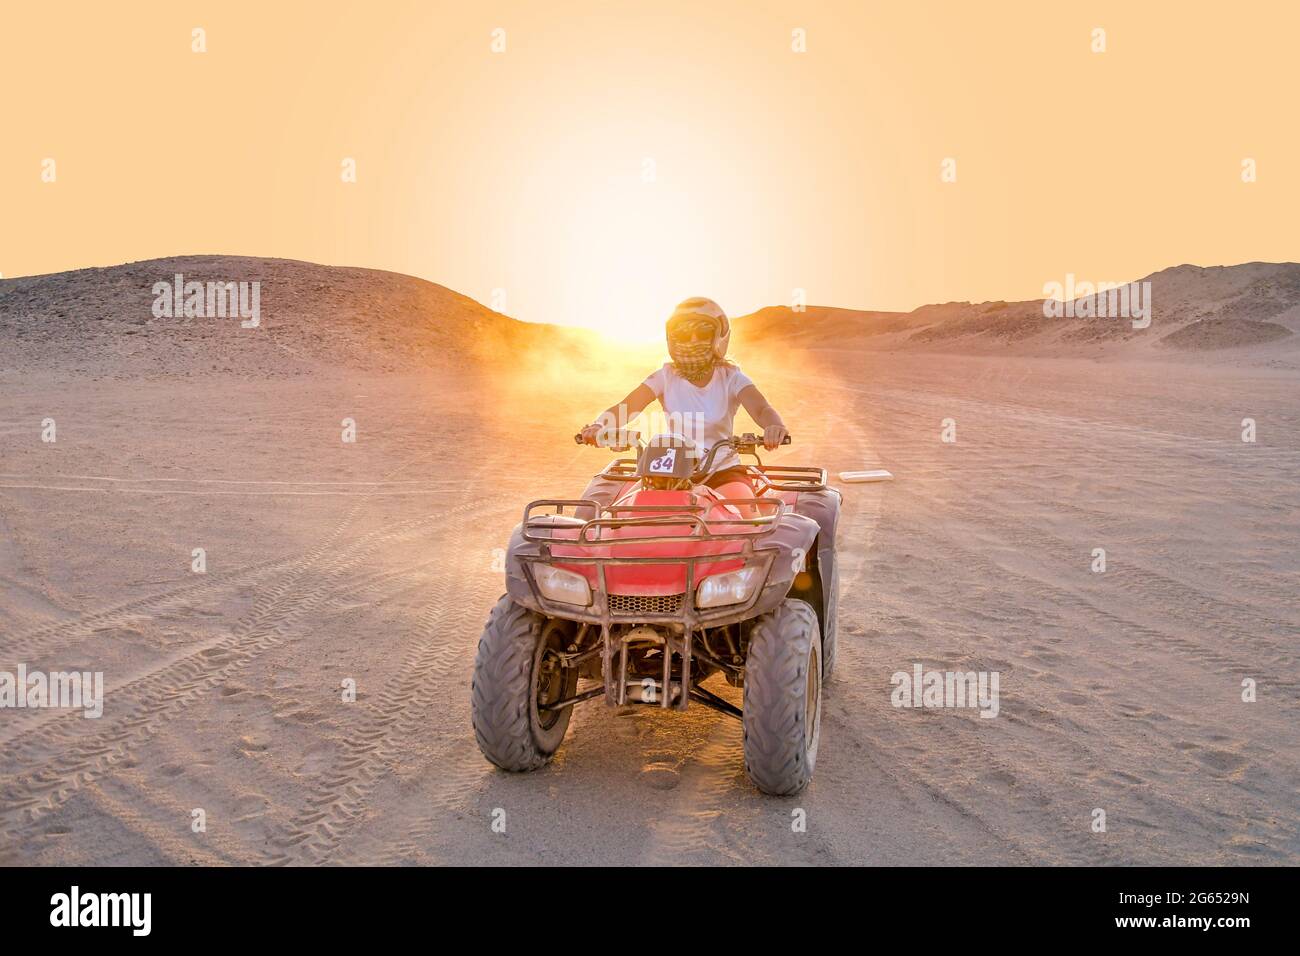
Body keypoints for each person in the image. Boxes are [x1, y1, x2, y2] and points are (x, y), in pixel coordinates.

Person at [577, 297, 788, 514]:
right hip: (667, 471)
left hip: (721, 472)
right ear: (671, 338)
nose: (693, 340)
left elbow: (761, 408)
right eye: (683, 334)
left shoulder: (731, 377)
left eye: (703, 333)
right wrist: (600, 425)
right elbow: (627, 406)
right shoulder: (665, 376)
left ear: (720, 336)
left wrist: (773, 426)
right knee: (620, 516)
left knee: (746, 522)